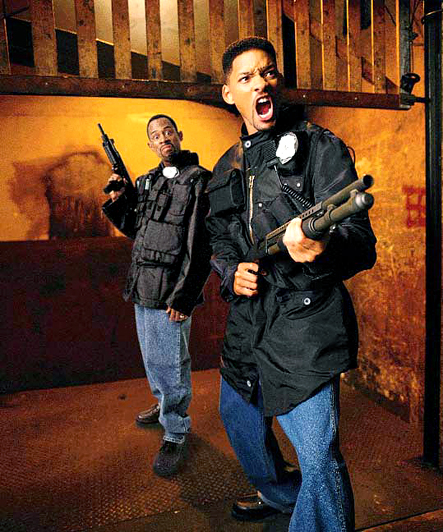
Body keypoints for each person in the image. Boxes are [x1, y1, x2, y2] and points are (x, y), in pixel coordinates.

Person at [206, 37, 377, 531]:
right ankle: (281, 495)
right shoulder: (225, 168)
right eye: (246, 78)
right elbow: (220, 241)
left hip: (305, 321)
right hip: (247, 323)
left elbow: (360, 243)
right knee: (240, 420)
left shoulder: (320, 148)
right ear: (228, 94)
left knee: (319, 457)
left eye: (268, 72)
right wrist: (231, 273)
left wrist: (323, 246)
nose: (261, 83)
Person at [103, 114, 212, 477]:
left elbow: (200, 244)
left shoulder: (199, 180)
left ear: (179, 135)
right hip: (142, 284)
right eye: (155, 135)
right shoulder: (146, 181)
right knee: (153, 358)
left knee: (171, 363)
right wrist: (118, 200)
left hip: (170, 291)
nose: (163, 137)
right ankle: (164, 404)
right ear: (150, 145)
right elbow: (137, 228)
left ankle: (176, 430)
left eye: (168, 131)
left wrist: (184, 297)